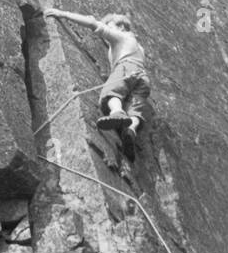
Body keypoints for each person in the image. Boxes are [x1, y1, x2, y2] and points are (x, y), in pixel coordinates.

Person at [43, 8, 149, 159]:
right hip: (143, 78)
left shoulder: (121, 37)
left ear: (120, 27)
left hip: (126, 69)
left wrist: (63, 14)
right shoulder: (139, 47)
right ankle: (131, 130)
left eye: (110, 25)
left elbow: (93, 23)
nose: (108, 32)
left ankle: (117, 112)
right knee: (135, 109)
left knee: (112, 92)